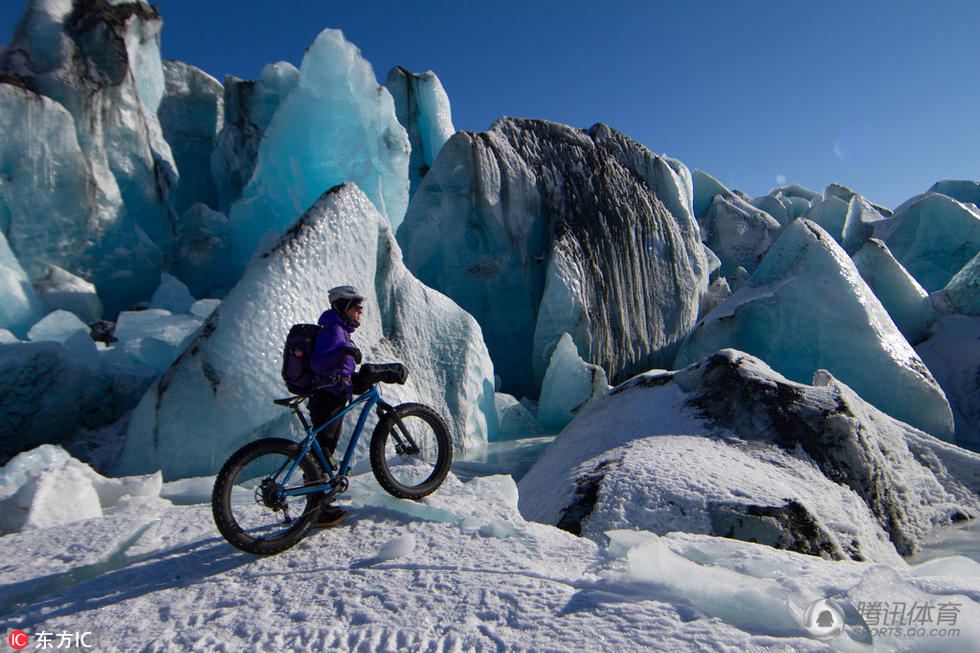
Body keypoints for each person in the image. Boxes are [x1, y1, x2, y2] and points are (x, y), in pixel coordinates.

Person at [308, 285, 365, 526]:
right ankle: (316, 511)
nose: (360, 312)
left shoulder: (339, 330)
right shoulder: (333, 331)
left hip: (333, 396)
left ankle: (319, 505)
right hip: (327, 398)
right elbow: (318, 363)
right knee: (321, 453)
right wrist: (345, 349)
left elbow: (337, 366)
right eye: (357, 307)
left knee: (324, 451)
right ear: (344, 307)